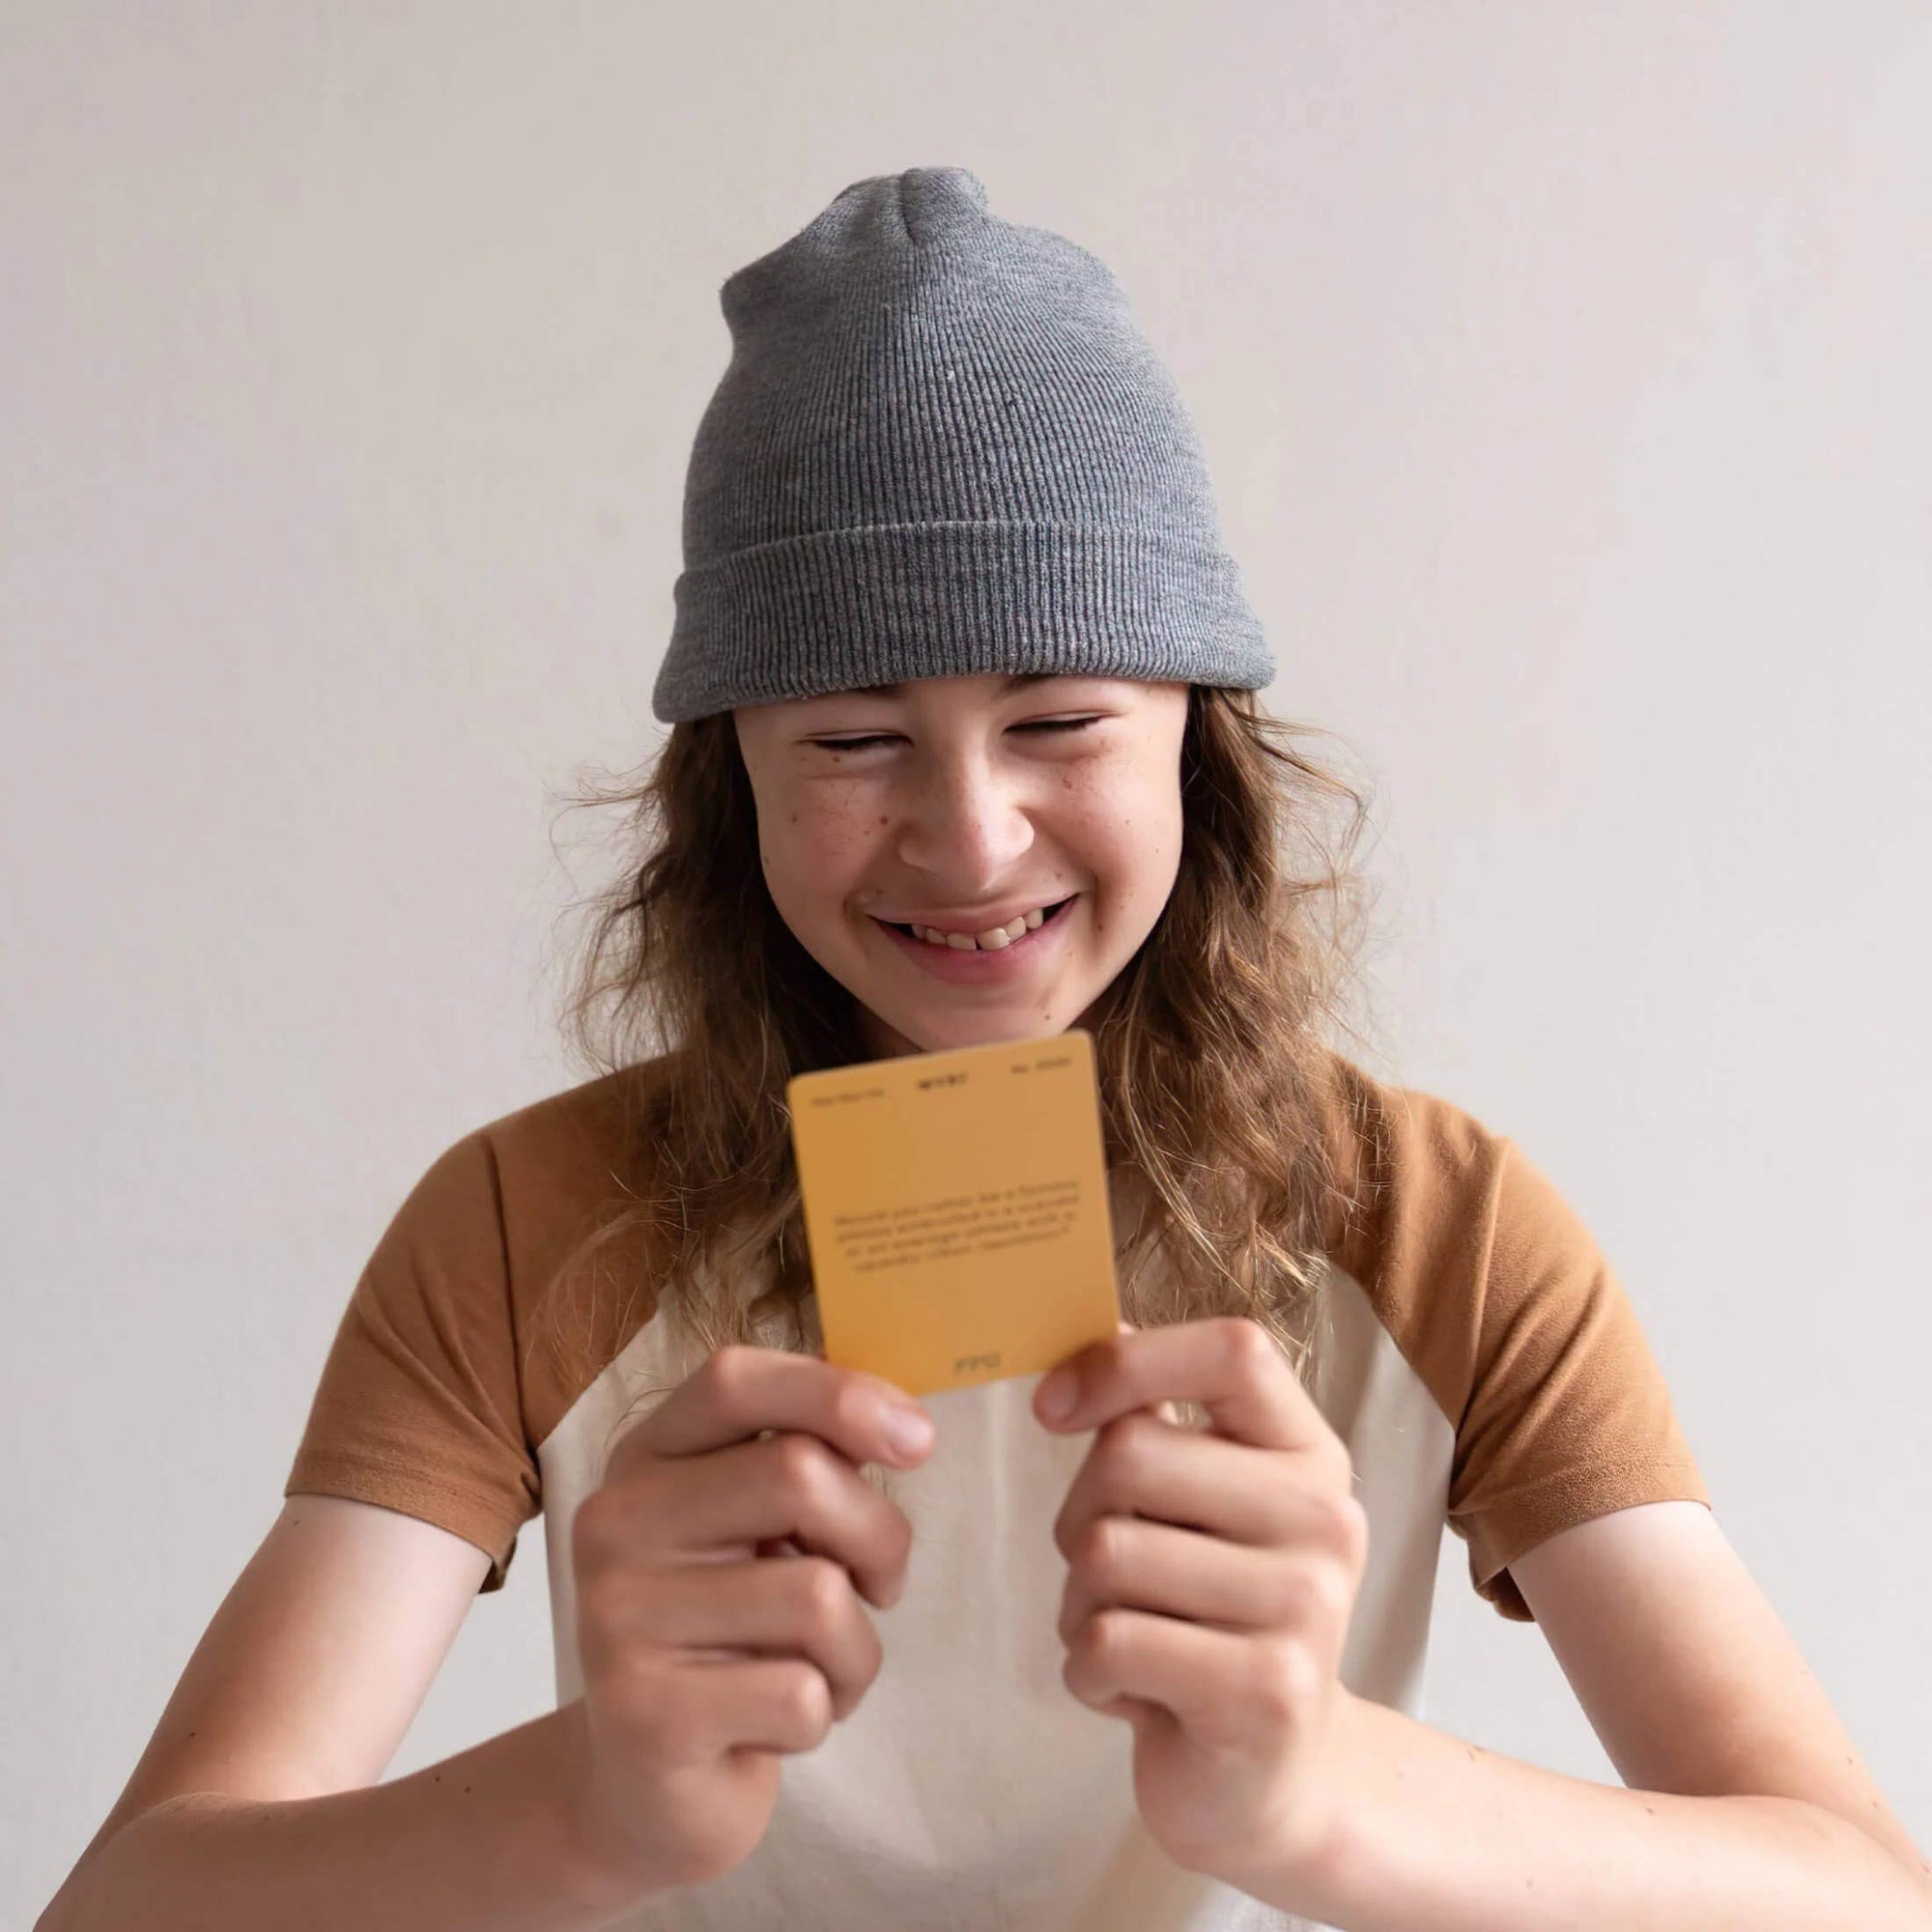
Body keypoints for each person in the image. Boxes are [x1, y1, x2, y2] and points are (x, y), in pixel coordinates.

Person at [40, 167, 1930, 1932]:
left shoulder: (1442, 1231)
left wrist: (1319, 1796)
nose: (968, 839)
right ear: (731, 780)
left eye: (1058, 720)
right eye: (854, 739)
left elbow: (1859, 1891)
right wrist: (591, 1803)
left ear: (1196, 737)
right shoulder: (534, 1224)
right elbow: (125, 1903)